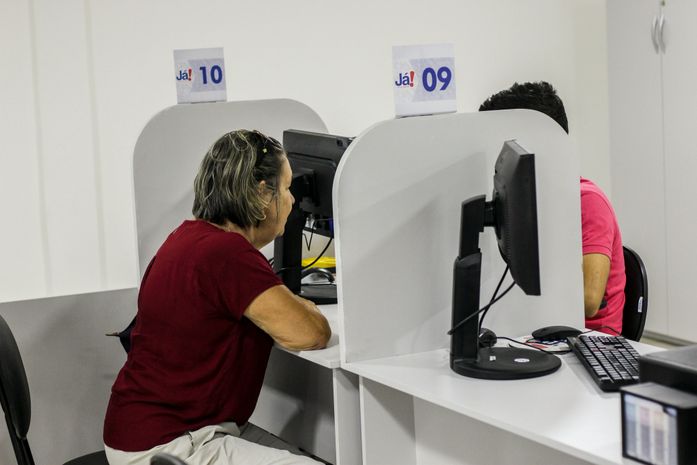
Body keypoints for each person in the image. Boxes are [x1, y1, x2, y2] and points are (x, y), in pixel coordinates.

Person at [103, 129, 331, 465]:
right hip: (173, 442)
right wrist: (304, 307)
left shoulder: (187, 237)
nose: (293, 200)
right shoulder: (228, 254)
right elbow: (313, 333)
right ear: (261, 194)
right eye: (285, 188)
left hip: (149, 431)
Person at [479, 81, 625, 335]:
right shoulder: (533, 200)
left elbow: (589, 301)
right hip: (543, 329)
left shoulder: (587, 201)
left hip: (587, 338)